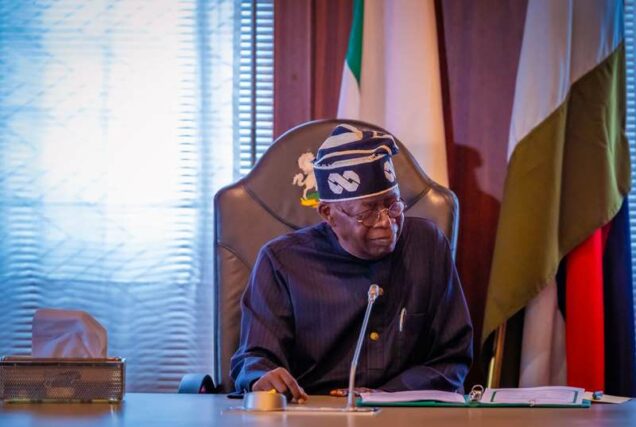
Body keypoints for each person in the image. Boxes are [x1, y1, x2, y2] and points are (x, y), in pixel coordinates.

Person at [230, 124, 473, 402]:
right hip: (314, 409)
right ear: (328, 214)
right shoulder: (281, 262)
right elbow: (255, 357)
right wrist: (262, 377)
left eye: (392, 205)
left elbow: (452, 356)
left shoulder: (427, 245)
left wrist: (388, 395)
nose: (387, 223)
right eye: (368, 212)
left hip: (404, 410)